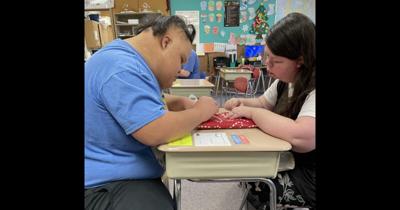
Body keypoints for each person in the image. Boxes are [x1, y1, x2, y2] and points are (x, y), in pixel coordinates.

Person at [84, 15, 219, 210]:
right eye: (181, 60)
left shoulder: (122, 57)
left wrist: (178, 101)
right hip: (103, 184)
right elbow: (155, 130)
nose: (181, 70)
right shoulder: (122, 67)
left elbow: (134, 99)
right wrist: (201, 111)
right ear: (166, 42)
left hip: (118, 172)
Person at [224, 13, 315, 209]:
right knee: (245, 169)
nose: (268, 65)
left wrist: (253, 113)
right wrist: (242, 102)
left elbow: (303, 138)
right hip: (288, 158)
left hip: (308, 175)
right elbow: (263, 103)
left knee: (258, 183)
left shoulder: (313, 87)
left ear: (300, 60)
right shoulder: (284, 81)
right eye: (267, 57)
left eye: (276, 61)